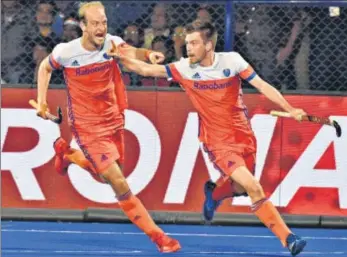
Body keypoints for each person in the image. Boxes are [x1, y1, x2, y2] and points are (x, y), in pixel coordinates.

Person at [108, 19, 307, 256]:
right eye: (187, 42)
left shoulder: (232, 61)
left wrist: (291, 108)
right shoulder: (184, 68)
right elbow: (145, 69)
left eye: (193, 43)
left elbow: (263, 86)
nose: (188, 47)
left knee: (241, 189)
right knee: (253, 187)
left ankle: (213, 194)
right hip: (217, 141)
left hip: (244, 135)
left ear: (209, 45)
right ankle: (289, 239)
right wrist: (120, 59)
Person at [35, 1, 181, 253]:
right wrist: (41, 101)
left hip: (113, 119)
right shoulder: (66, 52)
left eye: (103, 22)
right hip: (87, 125)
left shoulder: (110, 43)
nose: (101, 27)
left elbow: (130, 51)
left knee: (106, 177)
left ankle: (68, 154)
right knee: (119, 183)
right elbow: (45, 67)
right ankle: (159, 238)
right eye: (94, 23)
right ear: (83, 26)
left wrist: (148, 55)